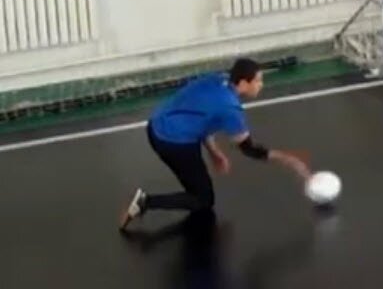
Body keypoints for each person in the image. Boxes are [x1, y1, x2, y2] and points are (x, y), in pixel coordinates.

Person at [119, 58, 311, 230]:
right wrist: (291, 161)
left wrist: (214, 152)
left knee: (197, 188)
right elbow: (251, 150)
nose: (261, 85)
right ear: (244, 83)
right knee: (203, 199)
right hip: (173, 142)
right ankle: (145, 202)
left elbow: (202, 116)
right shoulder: (231, 109)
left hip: (157, 124)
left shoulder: (217, 79)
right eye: (258, 81)